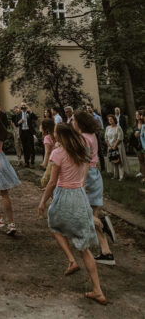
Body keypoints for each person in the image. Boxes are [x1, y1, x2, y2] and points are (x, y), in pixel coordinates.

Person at [38, 123, 106, 306]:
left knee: (54, 224)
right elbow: (83, 176)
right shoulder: (80, 151)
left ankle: (70, 259)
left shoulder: (58, 153)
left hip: (64, 195)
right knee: (85, 248)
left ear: (59, 136)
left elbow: (52, 182)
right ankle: (98, 290)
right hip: (80, 196)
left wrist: (42, 201)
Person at [73, 110, 116, 266]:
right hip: (95, 174)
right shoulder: (91, 136)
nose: (72, 123)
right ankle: (106, 253)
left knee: (86, 214)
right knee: (90, 214)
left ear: (79, 123)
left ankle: (103, 224)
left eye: (73, 121)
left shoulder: (84, 138)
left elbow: (84, 160)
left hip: (89, 177)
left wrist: (82, 182)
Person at [105, 114, 129, 180]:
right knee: (113, 160)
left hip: (118, 146)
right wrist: (109, 146)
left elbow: (120, 138)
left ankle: (121, 176)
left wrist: (115, 145)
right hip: (110, 147)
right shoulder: (107, 128)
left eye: (111, 119)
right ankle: (115, 175)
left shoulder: (118, 127)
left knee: (119, 160)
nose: (110, 120)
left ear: (114, 120)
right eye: (109, 120)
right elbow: (106, 138)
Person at [17, 102, 37, 167]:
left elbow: (35, 118)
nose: (23, 106)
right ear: (21, 106)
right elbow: (17, 123)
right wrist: (19, 122)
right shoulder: (19, 114)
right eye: (22, 105)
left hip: (29, 132)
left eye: (24, 105)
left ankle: (32, 162)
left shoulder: (29, 113)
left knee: (31, 147)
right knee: (24, 148)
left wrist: (31, 111)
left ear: (26, 106)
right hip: (22, 132)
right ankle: (26, 162)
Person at [86, 105, 105, 171]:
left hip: (96, 135)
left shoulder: (97, 117)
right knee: (91, 151)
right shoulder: (86, 118)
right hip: (89, 136)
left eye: (89, 108)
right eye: (87, 108)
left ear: (92, 108)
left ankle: (103, 168)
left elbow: (101, 127)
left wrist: (95, 130)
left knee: (99, 151)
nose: (88, 109)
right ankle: (94, 166)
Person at [40, 118, 56, 189]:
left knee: (44, 182)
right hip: (59, 159)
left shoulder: (47, 137)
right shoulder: (57, 135)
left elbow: (47, 152)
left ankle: (55, 198)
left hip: (52, 161)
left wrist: (44, 163)